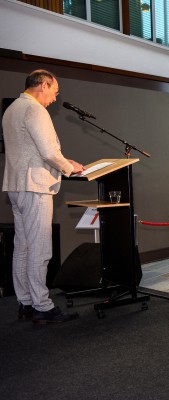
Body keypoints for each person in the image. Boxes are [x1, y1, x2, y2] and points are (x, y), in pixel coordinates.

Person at [3, 70, 85, 323]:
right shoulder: (35, 109)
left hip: (16, 186)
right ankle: (42, 306)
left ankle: (26, 302)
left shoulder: (12, 109)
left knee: (23, 247)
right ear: (43, 85)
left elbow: (32, 149)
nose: (55, 98)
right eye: (54, 92)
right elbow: (48, 151)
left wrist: (63, 162)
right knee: (40, 248)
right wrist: (70, 167)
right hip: (35, 187)